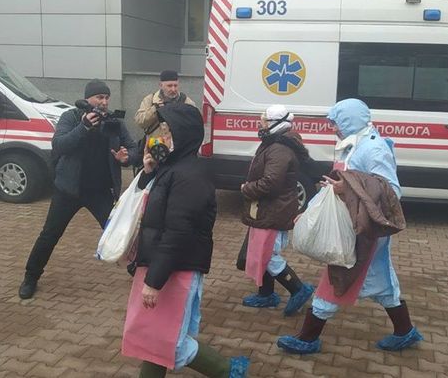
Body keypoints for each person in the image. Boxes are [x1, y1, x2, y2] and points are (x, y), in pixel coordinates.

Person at [276, 98, 423, 354]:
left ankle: (308, 338)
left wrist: (347, 188)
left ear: (350, 120)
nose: (333, 128)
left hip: (364, 230)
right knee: (381, 283)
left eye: (336, 123)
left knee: (338, 275)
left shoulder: (374, 149)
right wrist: (312, 210)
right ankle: (405, 331)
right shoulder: (354, 144)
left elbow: (391, 191)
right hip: (356, 226)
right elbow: (343, 185)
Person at [121, 103, 249, 378]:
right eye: (161, 131)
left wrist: (154, 281)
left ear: (183, 134)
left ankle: (229, 371)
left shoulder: (190, 175)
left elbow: (178, 232)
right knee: (153, 334)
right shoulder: (172, 167)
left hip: (175, 268)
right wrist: (148, 173)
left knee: (166, 340)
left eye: (167, 131)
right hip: (161, 263)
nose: (161, 137)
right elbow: (150, 206)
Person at [18, 80, 139, 299]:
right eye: (99, 97)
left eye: (106, 97)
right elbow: (59, 145)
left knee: (117, 232)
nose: (103, 102)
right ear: (87, 99)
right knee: (50, 234)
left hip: (100, 192)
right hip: (68, 190)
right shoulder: (71, 118)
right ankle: (30, 277)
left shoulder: (114, 122)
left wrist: (127, 157)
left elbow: (132, 148)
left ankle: (140, 274)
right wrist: (83, 127)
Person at [238, 104, 314, 316]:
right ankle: (266, 294)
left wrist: (246, 189)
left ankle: (297, 289)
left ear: (274, 123)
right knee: (262, 250)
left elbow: (270, 183)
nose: (260, 124)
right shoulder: (276, 142)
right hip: (268, 209)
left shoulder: (279, 148)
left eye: (263, 121)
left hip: (273, 209)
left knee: (267, 254)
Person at [134, 70, 197, 141]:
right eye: (169, 86)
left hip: (180, 145)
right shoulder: (150, 100)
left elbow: (195, 125)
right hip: (155, 145)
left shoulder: (186, 102)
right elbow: (140, 122)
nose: (173, 89)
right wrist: (155, 109)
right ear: (161, 85)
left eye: (175, 85)